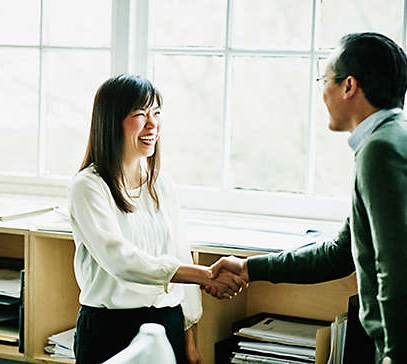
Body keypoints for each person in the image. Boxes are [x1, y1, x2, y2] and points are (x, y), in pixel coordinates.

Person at [207, 32, 407, 364]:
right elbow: (342, 253)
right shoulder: (391, 137)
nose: (322, 92)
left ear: (349, 86)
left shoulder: (380, 151)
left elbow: (397, 269)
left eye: (324, 80)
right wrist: (248, 267)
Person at [68, 74, 243, 364]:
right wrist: (204, 276)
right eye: (140, 114)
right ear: (111, 121)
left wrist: (189, 340)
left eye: (157, 113)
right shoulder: (88, 186)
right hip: (110, 330)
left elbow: (178, 253)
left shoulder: (162, 185)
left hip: (168, 323)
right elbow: (120, 260)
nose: (153, 125)